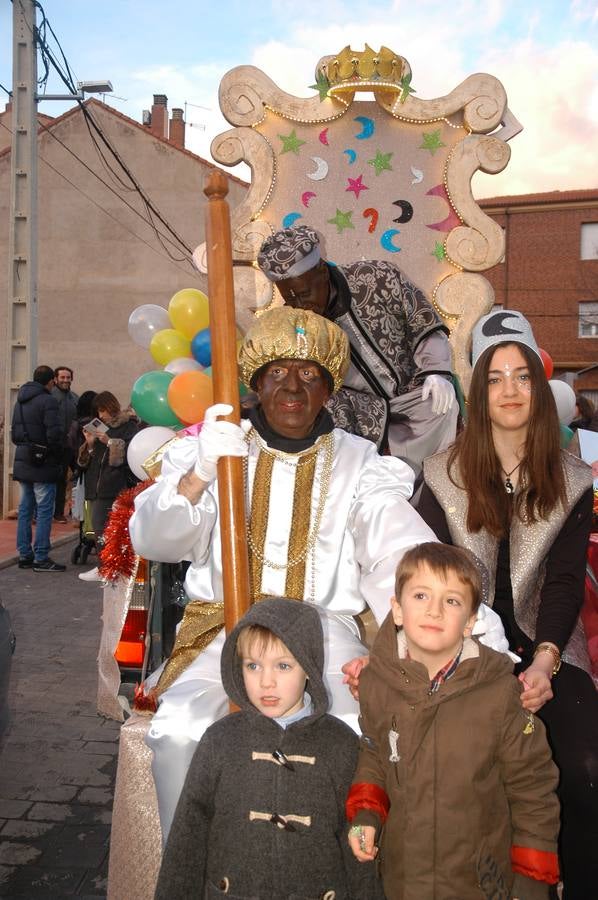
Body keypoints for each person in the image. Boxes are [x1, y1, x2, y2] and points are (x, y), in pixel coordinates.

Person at [129, 306, 449, 839]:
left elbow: (399, 550)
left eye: (309, 375)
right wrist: (198, 477)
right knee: (182, 731)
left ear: (329, 389)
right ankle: (191, 873)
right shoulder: (218, 449)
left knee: (352, 727)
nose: (293, 388)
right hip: (224, 631)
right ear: (256, 383)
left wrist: (453, 616)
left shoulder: (361, 463)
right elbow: (155, 541)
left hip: (325, 634)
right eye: (277, 373)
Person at [416, 310, 597, 900]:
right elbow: (426, 574)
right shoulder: (442, 473)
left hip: (548, 645)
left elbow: (566, 581)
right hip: (459, 650)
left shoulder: (572, 477)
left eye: (522, 376)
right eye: (495, 378)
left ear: (539, 390)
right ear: (478, 391)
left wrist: (544, 663)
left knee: (584, 769)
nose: (510, 390)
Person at [346, 542, 560, 900]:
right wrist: (366, 818)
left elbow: (533, 789)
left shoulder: (501, 696)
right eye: (420, 595)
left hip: (479, 881)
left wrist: (531, 882)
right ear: (396, 610)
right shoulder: (376, 685)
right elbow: (373, 755)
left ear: (470, 623)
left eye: (452, 601)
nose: (434, 610)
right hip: (403, 880)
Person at [155, 597, 383, 900]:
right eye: (253, 665)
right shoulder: (220, 741)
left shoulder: (340, 744)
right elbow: (187, 837)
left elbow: (355, 839)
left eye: (283, 666)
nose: (266, 682)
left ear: (309, 668)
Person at [257, 224, 458, 474]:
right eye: (290, 299)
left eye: (304, 293)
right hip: (362, 415)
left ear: (322, 271)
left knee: (439, 404)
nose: (300, 305)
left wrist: (434, 372)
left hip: (413, 396)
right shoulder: (295, 325)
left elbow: (422, 321)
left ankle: (420, 493)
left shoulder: (377, 276)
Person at [77, 391, 139, 582]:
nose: (101, 415)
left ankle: (109, 568)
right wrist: (89, 445)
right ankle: (107, 568)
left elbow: (127, 457)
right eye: (98, 411)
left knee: (110, 529)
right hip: (97, 485)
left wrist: (110, 442)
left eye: (103, 410)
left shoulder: (128, 426)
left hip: (115, 485)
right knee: (99, 528)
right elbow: (84, 463)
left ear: (111, 407)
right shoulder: (100, 427)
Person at [10, 365, 66, 573]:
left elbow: (14, 435)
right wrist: (57, 454)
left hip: (23, 458)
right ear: (50, 381)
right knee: (44, 510)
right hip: (43, 462)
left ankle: (25, 554)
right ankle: (41, 556)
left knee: (25, 509)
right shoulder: (48, 401)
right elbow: (54, 434)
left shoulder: (20, 401)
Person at [51, 365, 79, 522]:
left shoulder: (75, 397)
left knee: (79, 478)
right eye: (62, 377)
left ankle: (75, 512)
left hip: (73, 447)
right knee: (58, 480)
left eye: (68, 377)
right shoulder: (50, 397)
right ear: (55, 379)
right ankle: (58, 513)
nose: (65, 380)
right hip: (57, 446)